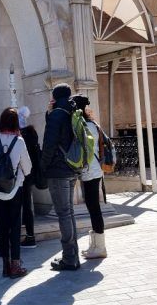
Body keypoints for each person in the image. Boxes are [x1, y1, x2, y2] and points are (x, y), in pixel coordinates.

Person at [40, 83, 81, 271]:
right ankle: (73, 256)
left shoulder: (57, 115)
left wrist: (42, 167)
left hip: (58, 171)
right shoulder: (72, 112)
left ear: (55, 98)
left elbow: (49, 145)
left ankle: (69, 258)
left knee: (64, 214)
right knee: (69, 212)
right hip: (72, 168)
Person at [0, 108, 32, 279]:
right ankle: (15, 265)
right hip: (14, 189)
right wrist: (19, 171)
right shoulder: (19, 141)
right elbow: (27, 168)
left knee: (1, 227)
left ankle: (5, 265)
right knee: (15, 226)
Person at [72, 95, 108, 260]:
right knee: (93, 207)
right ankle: (95, 245)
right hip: (95, 170)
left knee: (94, 208)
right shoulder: (93, 124)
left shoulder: (82, 126)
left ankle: (99, 247)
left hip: (89, 171)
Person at [18, 106, 42, 249]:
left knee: (24, 204)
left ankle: (30, 237)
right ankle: (29, 232)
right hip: (31, 173)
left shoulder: (20, 137)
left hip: (23, 174)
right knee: (27, 203)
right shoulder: (32, 133)